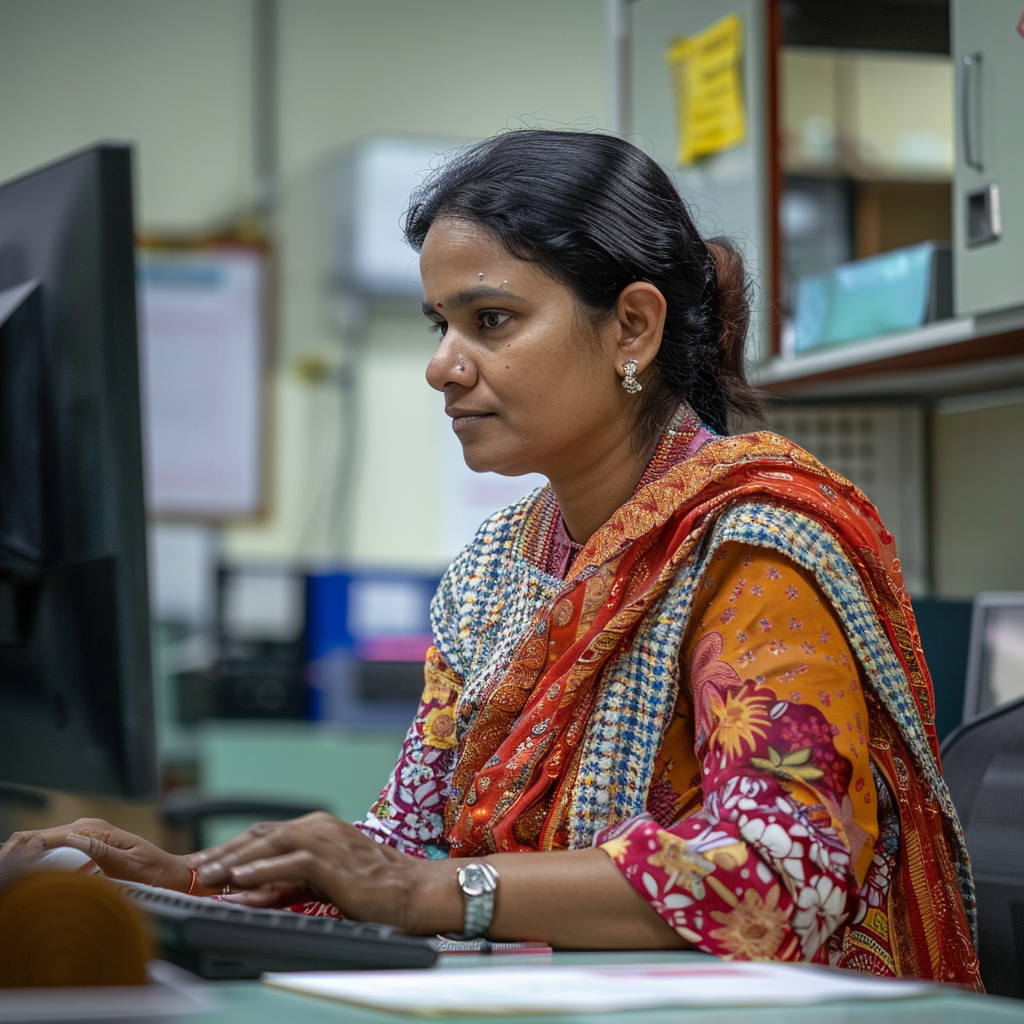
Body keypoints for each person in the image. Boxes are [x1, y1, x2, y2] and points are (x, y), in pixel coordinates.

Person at [0, 130, 980, 985]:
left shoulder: (752, 544)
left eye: (490, 321)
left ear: (630, 326)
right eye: (440, 324)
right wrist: (194, 878)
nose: (442, 364)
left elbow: (778, 878)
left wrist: (428, 889)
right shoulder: (489, 571)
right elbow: (405, 849)